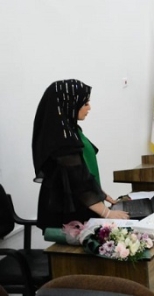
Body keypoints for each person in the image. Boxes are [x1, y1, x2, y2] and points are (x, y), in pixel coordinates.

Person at [32, 80, 129, 230]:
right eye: (85, 103)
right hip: (70, 216)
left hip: (80, 205)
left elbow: (81, 172)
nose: (89, 107)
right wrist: (107, 213)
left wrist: (100, 193)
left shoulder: (71, 131)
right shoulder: (62, 139)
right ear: (69, 104)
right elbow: (77, 182)